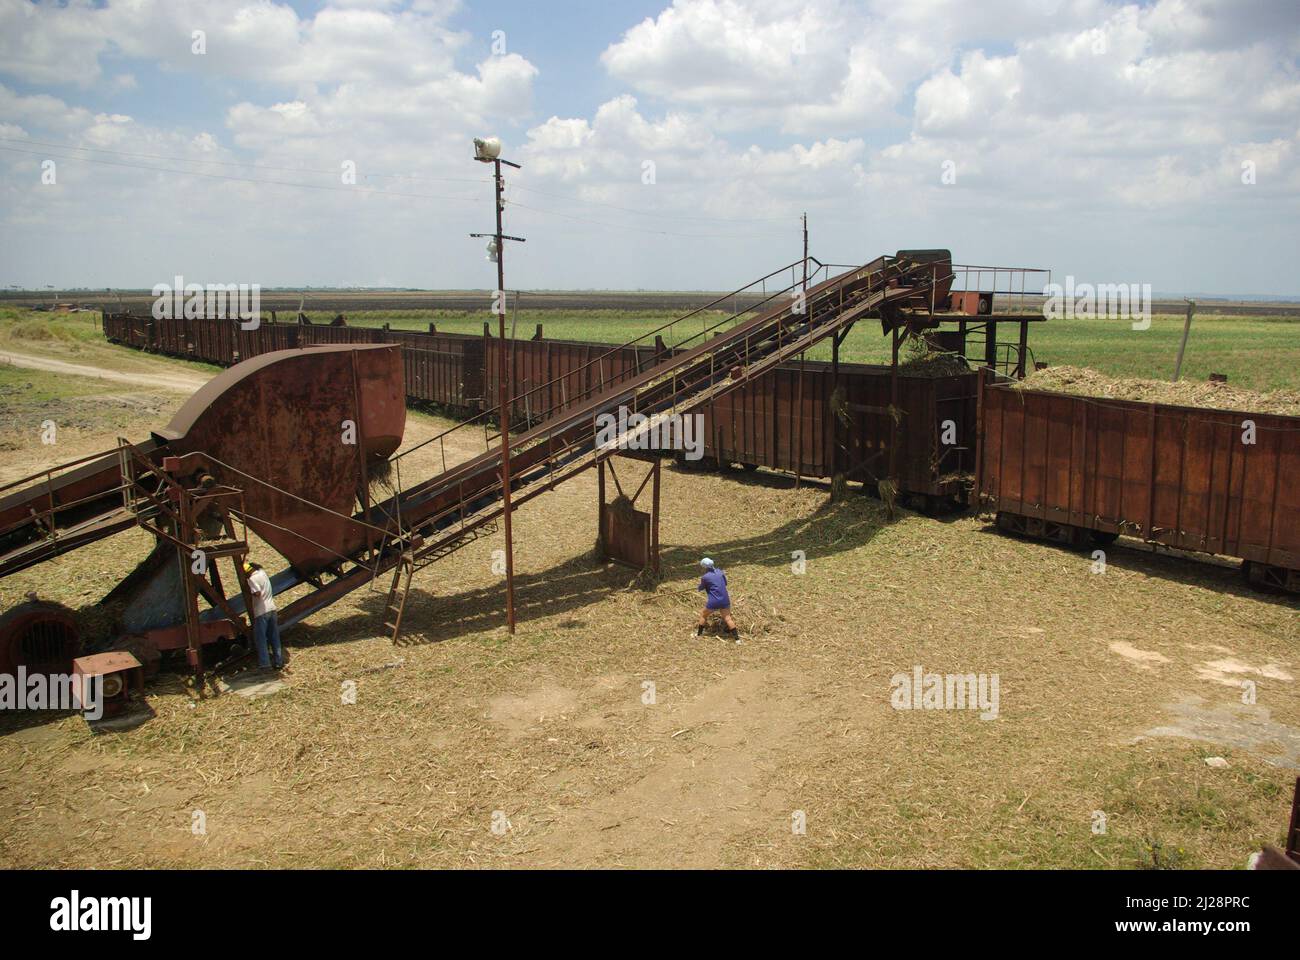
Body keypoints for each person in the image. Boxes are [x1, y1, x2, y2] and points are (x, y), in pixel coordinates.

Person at [244, 560, 284, 671]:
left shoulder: (252, 579)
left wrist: (248, 592)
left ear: (247, 573)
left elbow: (257, 593)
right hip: (272, 608)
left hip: (261, 612)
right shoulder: (262, 573)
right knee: (274, 637)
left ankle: (265, 665)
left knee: (260, 639)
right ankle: (278, 661)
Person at [695, 557, 739, 642]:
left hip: (714, 601)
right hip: (725, 599)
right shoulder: (720, 572)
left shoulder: (705, 577)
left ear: (704, 567)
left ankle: (699, 634)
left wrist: (699, 587)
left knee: (703, 615)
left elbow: (701, 588)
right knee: (728, 618)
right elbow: (725, 583)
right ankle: (737, 639)